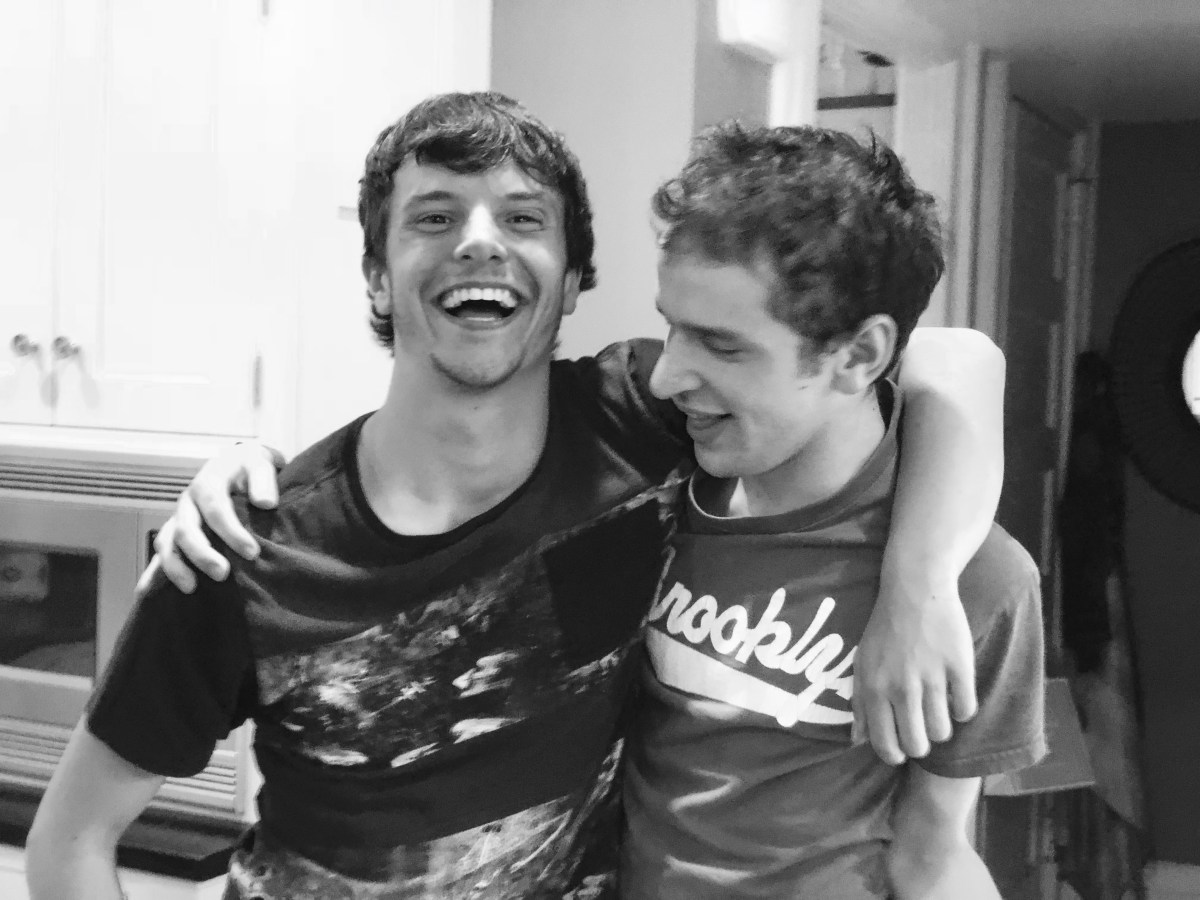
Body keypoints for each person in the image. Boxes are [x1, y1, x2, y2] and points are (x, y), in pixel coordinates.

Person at [27, 92, 1005, 900]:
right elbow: (68, 846)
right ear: (377, 274)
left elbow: (954, 361)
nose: (479, 243)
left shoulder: (652, 423)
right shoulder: (245, 545)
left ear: (574, 278)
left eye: (524, 218)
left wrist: (919, 582)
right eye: (434, 216)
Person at [621, 122, 1044, 899]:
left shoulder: (982, 584)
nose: (666, 376)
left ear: (858, 355)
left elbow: (931, 852)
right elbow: (962, 356)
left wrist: (916, 586)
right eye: (671, 327)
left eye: (721, 344)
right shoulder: (650, 475)